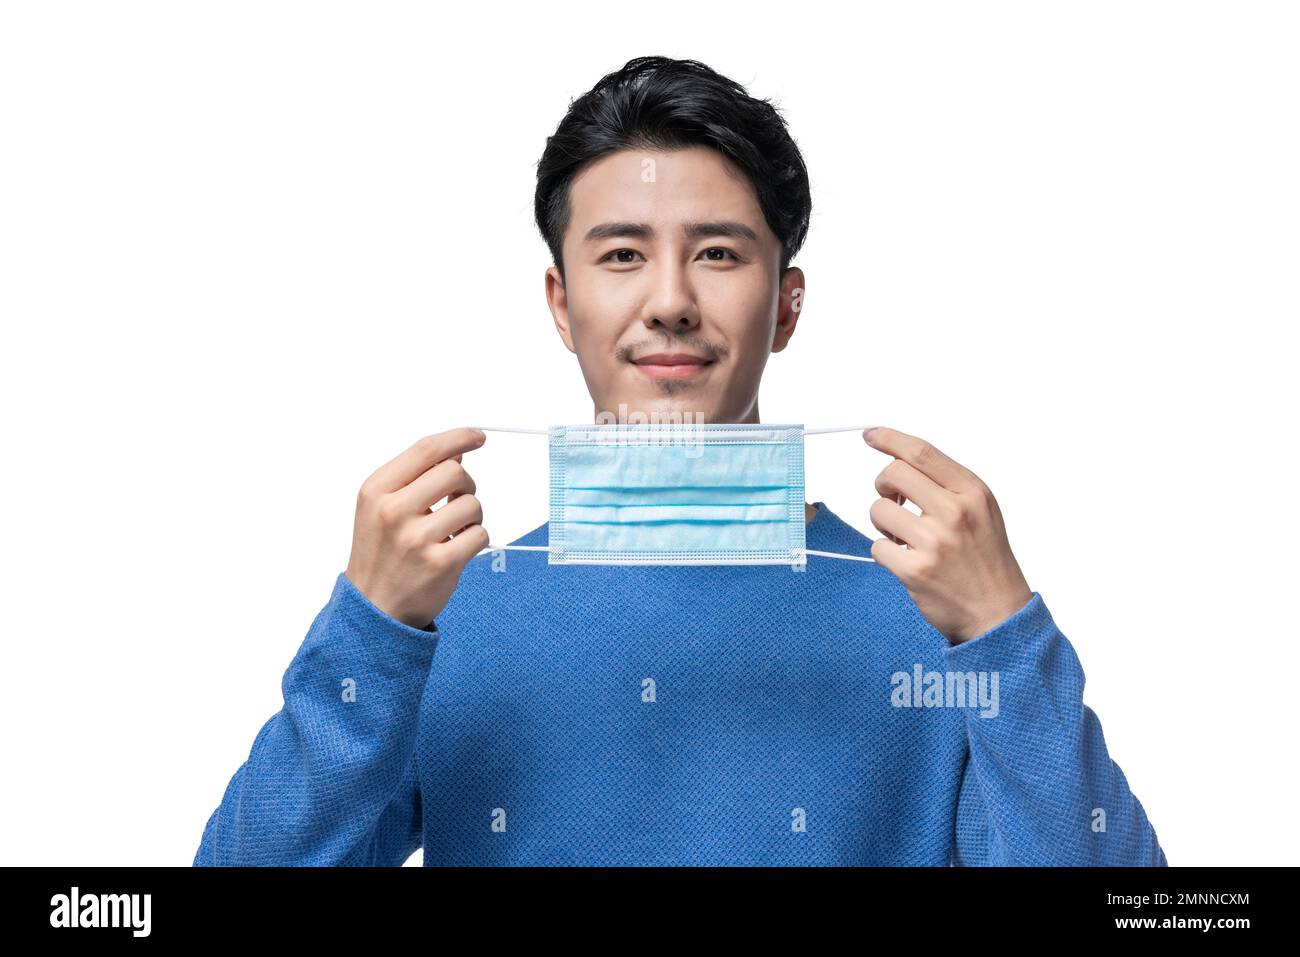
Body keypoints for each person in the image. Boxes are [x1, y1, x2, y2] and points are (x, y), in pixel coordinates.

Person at [193, 55, 1167, 866]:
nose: (667, 300)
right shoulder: (442, 621)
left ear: (785, 306)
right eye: (620, 255)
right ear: (560, 303)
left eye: (717, 254)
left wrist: (1006, 634)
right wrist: (370, 630)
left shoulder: (935, 621)